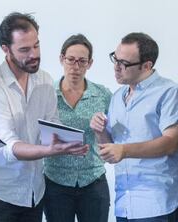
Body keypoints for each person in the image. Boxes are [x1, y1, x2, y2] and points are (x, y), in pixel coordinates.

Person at [0, 12, 89, 222]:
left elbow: (51, 123)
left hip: (34, 192)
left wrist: (69, 142)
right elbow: (8, 147)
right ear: (5, 49)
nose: (34, 54)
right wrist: (49, 150)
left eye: (36, 45)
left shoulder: (44, 79)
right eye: (24, 50)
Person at [90, 32, 178, 222]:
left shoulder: (169, 92)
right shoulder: (118, 96)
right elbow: (112, 152)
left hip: (156, 200)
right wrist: (100, 131)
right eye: (115, 59)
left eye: (124, 63)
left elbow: (170, 143)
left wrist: (124, 150)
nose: (116, 68)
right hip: (124, 201)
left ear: (147, 65)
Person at [43, 34, 111, 222]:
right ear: (61, 59)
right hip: (55, 181)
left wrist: (101, 131)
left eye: (82, 61)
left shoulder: (103, 95)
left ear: (90, 63)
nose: (76, 67)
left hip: (93, 180)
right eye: (71, 60)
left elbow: (113, 144)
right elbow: (34, 135)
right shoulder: (46, 94)